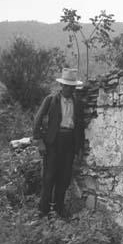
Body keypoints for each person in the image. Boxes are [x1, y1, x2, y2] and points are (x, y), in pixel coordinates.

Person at [33, 68, 84, 217]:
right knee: (49, 177)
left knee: (64, 177)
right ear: (61, 86)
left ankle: (59, 210)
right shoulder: (51, 100)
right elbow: (37, 120)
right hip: (53, 142)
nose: (69, 89)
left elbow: (79, 126)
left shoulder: (77, 103)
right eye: (66, 86)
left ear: (74, 88)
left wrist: (79, 147)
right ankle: (43, 210)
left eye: (72, 86)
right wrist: (40, 142)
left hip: (69, 143)